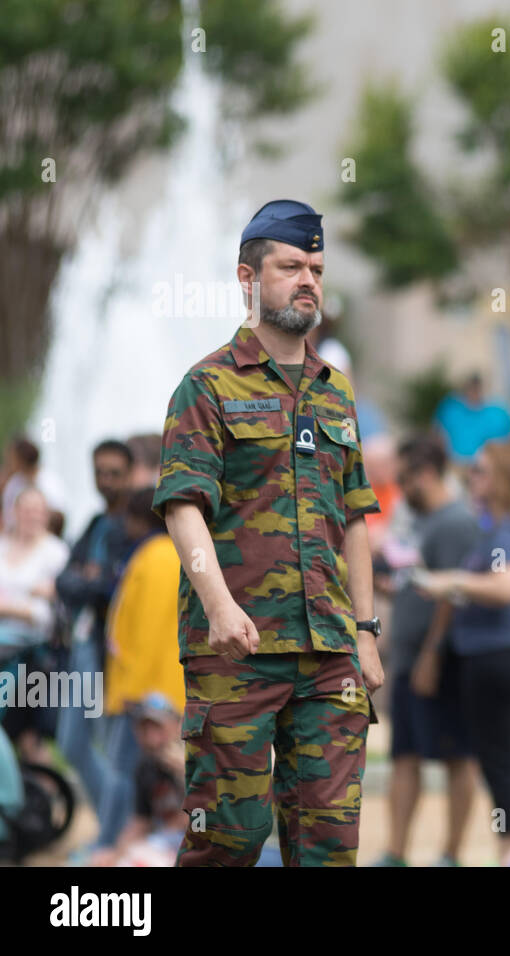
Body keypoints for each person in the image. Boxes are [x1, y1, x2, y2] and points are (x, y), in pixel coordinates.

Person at [152, 199, 383, 866]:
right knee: (227, 838)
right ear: (249, 280)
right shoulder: (205, 385)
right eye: (290, 266)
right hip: (236, 650)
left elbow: (356, 517)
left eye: (315, 266)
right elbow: (182, 506)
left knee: (329, 844)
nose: (308, 279)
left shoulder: (337, 391)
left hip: (330, 652)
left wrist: (365, 633)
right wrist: (220, 607)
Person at [411, 439, 510, 863]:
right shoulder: (496, 526)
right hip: (497, 652)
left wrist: (448, 580)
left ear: (503, 478)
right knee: (496, 758)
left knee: (496, 760)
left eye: (481, 470)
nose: (473, 477)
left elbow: (506, 586)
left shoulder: (504, 532)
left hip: (498, 652)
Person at [372, 432, 482, 867]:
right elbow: (422, 581)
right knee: (405, 755)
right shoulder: (422, 522)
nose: (401, 489)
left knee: (457, 756)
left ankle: (451, 854)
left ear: (426, 474)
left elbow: (454, 596)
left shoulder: (456, 521)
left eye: (405, 479)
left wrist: (432, 656)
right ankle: (396, 852)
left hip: (442, 661)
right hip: (410, 657)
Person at [53, 437, 135, 836]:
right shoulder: (95, 523)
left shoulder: (134, 526)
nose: (106, 481)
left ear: (130, 474)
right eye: (100, 472)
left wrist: (88, 579)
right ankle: (116, 825)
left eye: (114, 473)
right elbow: (64, 580)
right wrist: (86, 579)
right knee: (73, 742)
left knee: (108, 746)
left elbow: (110, 586)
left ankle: (118, 830)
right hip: (84, 645)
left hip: (111, 650)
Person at [97, 487, 184, 850]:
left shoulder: (149, 557)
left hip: (144, 693)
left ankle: (109, 844)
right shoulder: (180, 555)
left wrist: (126, 692)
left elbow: (134, 633)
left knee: (123, 775)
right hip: (173, 689)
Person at [0, 487, 70, 763]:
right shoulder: (3, 545)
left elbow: (50, 614)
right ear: (14, 511)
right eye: (27, 509)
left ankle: (42, 798)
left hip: (34, 655)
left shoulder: (56, 553)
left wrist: (9, 607)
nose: (32, 516)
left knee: (28, 735)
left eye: (39, 510)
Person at [90, 692, 188, 867]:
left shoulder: (197, 761)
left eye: (158, 728)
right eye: (145, 729)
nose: (152, 738)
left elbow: (202, 821)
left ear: (177, 725)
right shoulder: (145, 766)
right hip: (165, 841)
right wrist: (115, 854)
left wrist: (185, 775)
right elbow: (140, 821)